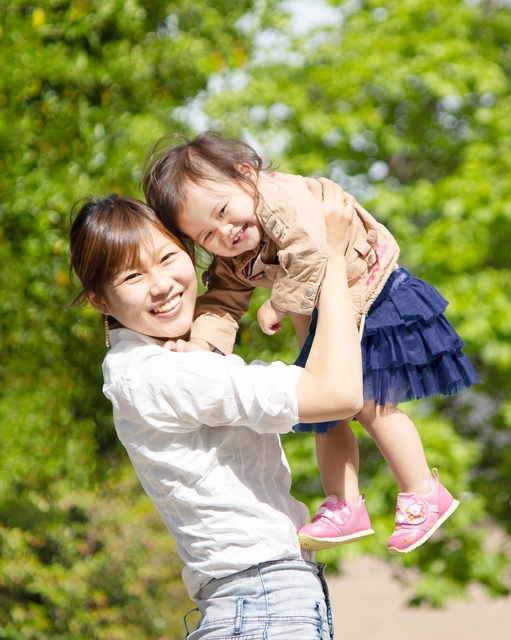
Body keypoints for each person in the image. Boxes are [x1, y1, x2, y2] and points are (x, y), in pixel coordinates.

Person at [142, 132, 480, 555]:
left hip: (375, 296)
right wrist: (202, 345)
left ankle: (424, 493)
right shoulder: (237, 249)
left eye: (224, 211)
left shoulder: (282, 197)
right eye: (207, 235)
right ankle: (344, 504)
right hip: (332, 319)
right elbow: (224, 300)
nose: (225, 233)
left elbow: (313, 249)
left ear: (246, 174)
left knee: (373, 405)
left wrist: (278, 304)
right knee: (327, 415)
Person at [68, 179, 360, 639]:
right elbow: (338, 394)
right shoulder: (161, 374)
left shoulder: (174, 360)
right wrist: (334, 257)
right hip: (263, 606)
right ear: (100, 300)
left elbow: (320, 380)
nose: (162, 286)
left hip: (263, 602)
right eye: (132, 277)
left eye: (167, 259)